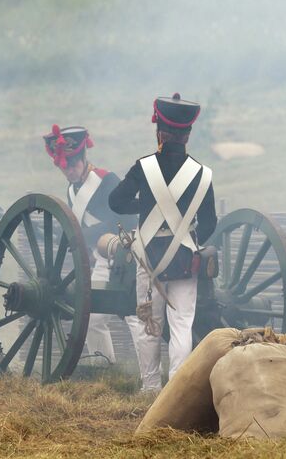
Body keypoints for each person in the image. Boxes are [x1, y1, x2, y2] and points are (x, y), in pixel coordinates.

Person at [109, 93, 217, 391]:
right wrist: (189, 242)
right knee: (182, 325)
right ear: (187, 134)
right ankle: (177, 391)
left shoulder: (144, 168)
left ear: (160, 132)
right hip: (185, 260)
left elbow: (116, 201)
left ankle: (151, 388)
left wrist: (144, 209)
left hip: (148, 258)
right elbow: (210, 223)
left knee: (149, 326)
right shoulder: (202, 174)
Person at [43, 125, 139, 364]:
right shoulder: (71, 190)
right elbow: (80, 228)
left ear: (83, 158)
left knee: (135, 316)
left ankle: (149, 375)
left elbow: (127, 219)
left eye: (72, 166)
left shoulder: (108, 181)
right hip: (102, 257)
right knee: (94, 318)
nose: (69, 172)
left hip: (127, 254)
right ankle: (106, 366)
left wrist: (85, 235)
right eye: (64, 168)